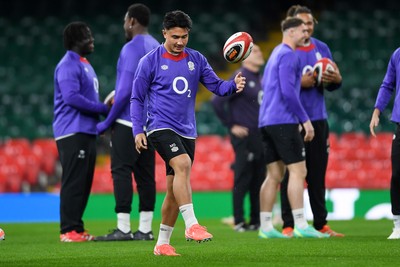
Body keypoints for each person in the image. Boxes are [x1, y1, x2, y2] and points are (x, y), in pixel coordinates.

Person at [130, 10, 246, 256]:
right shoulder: (149, 61)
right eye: (175, 37)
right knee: (182, 164)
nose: (180, 42)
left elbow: (216, 86)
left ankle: (162, 244)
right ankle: (192, 225)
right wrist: (138, 129)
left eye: (184, 36)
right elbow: (137, 98)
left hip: (187, 131)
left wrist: (233, 86)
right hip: (159, 126)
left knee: (173, 190)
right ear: (164, 33)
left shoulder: (196, 59)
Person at [258, 17, 329, 239]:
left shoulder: (275, 54)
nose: (306, 33)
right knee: (299, 172)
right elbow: (289, 92)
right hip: (283, 121)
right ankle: (300, 224)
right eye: (301, 30)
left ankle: (266, 227)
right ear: (290, 32)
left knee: (274, 174)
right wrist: (305, 121)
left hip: (266, 121)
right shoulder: (288, 55)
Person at [94, 3, 159, 242]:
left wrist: (106, 122)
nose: (124, 25)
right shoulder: (157, 47)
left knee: (121, 171)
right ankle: (145, 229)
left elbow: (123, 93)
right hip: (151, 124)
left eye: (125, 21)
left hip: (127, 122)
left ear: (131, 21)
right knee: (145, 176)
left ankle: (123, 228)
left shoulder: (131, 48)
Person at [279, 5, 344, 238]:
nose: (307, 27)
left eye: (310, 23)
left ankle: (321, 224)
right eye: (302, 23)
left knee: (317, 174)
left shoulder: (322, 48)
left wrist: (336, 79)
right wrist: (300, 83)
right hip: (291, 120)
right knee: (291, 174)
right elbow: (279, 87)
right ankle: (289, 225)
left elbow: (334, 83)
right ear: (292, 25)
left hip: (318, 119)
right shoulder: (286, 50)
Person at [53, 21, 109, 242]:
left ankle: (76, 227)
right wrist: (103, 109)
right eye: (88, 36)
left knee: (84, 182)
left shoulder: (84, 63)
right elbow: (71, 97)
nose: (92, 40)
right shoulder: (68, 64)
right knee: (74, 181)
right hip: (71, 130)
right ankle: (68, 230)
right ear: (76, 40)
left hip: (86, 130)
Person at [211, 44, 265, 232]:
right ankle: (239, 220)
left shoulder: (259, 79)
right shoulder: (240, 77)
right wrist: (231, 125)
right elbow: (217, 101)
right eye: (256, 51)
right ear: (246, 57)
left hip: (259, 135)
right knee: (243, 176)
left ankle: (256, 221)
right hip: (245, 136)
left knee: (259, 178)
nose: (260, 54)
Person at [370, 48, 400, 239]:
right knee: (397, 175)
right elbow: (387, 84)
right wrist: (377, 111)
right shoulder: (398, 54)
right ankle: (398, 225)